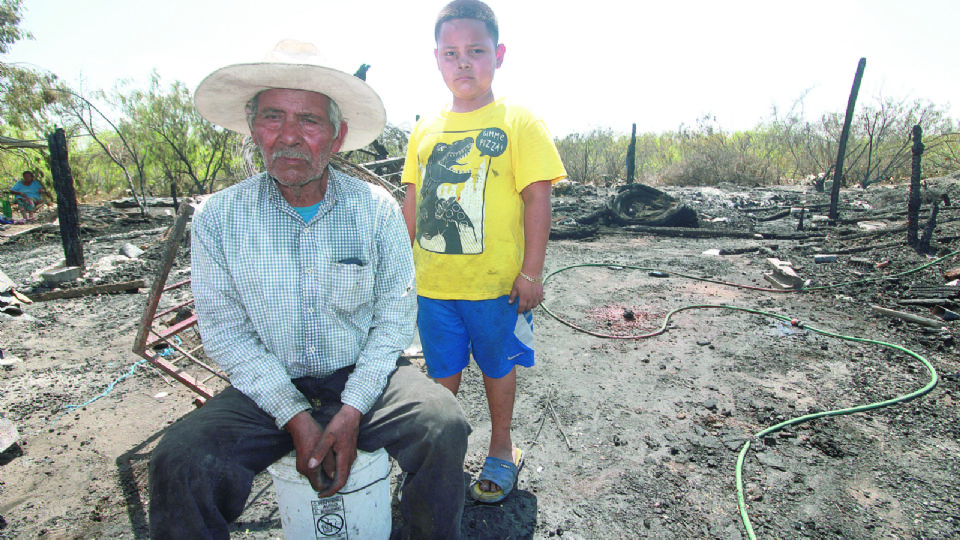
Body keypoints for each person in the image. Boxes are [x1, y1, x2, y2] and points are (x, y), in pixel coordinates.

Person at [148, 40, 470, 540]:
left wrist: (353, 406)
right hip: (267, 384)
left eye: (310, 122)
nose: (289, 137)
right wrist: (294, 415)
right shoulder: (219, 217)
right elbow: (226, 332)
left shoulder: (375, 209)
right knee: (179, 460)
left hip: (362, 373)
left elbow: (393, 318)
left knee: (442, 425)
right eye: (273, 117)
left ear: (337, 136)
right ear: (253, 128)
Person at [401, 0, 567, 504]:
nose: (463, 62)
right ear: (436, 59)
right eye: (451, 53)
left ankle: (501, 448)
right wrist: (398, 271)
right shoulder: (425, 129)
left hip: (497, 286)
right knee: (440, 377)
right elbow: (412, 202)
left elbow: (538, 198)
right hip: (433, 287)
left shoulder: (518, 120)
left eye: (475, 50)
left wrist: (531, 273)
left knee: (498, 367)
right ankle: (439, 456)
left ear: (498, 54)